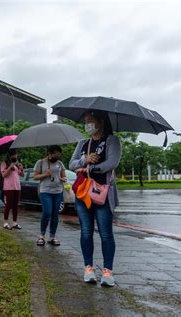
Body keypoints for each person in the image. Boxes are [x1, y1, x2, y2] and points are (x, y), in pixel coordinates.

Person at [69, 110, 121, 287]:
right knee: (86, 231)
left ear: (100, 121)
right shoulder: (83, 143)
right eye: (85, 121)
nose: (87, 125)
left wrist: (91, 169)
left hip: (103, 193)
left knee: (106, 233)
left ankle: (107, 271)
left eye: (90, 121)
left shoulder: (111, 141)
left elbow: (112, 163)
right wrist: (85, 159)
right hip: (83, 194)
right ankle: (88, 268)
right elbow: (72, 164)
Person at [34, 145, 67, 246]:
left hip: (58, 191)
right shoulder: (40, 162)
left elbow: (63, 175)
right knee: (47, 212)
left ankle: (52, 236)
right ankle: (41, 235)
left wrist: (63, 179)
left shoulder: (60, 163)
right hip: (45, 191)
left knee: (55, 214)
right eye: (55, 154)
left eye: (59, 155)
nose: (57, 156)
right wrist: (45, 174)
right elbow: (35, 176)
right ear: (49, 154)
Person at [0, 149, 24, 230]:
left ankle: (15, 223)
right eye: (14, 154)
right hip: (9, 187)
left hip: (17, 187)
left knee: (15, 205)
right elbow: (3, 175)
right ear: (10, 156)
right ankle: (5, 223)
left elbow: (22, 175)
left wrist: (21, 168)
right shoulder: (4, 163)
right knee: (9, 204)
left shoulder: (17, 164)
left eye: (16, 154)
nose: (16, 156)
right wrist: (10, 166)